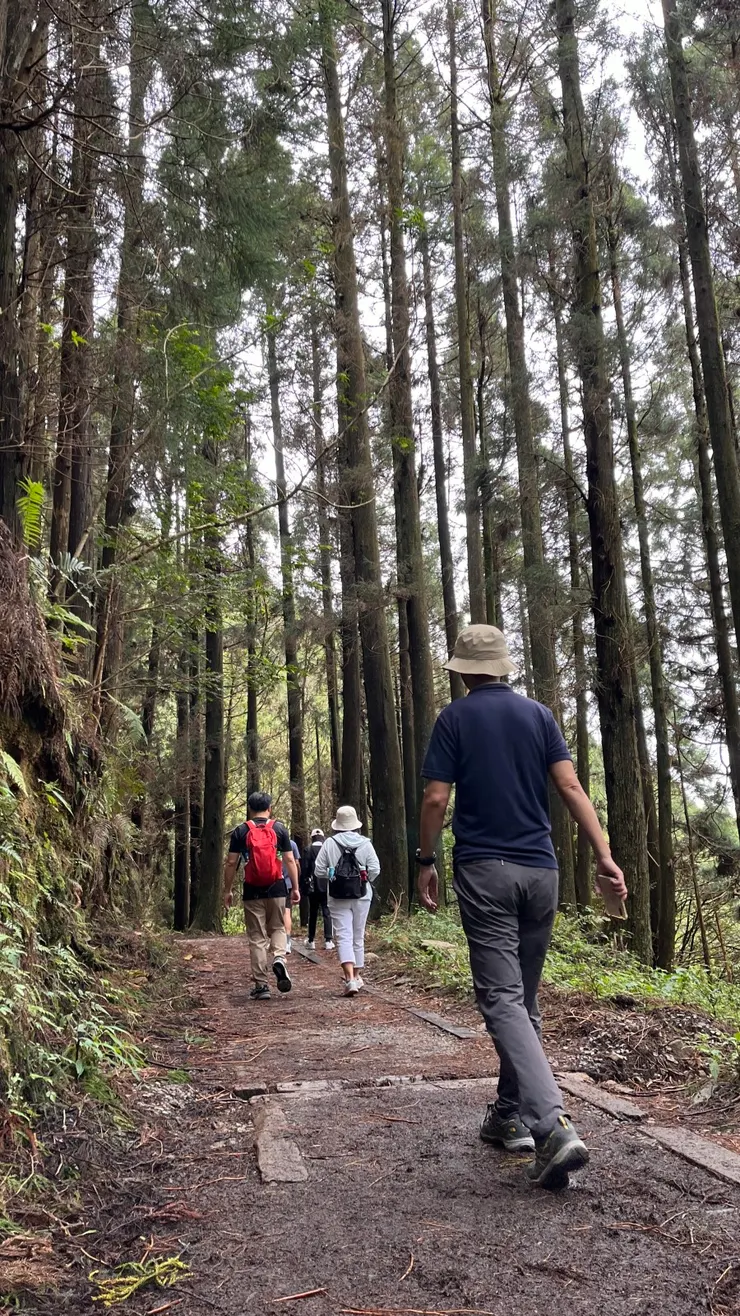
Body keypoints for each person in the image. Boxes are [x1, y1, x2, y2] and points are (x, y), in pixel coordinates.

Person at [417, 624, 628, 1190]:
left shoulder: (453, 719)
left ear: (461, 671)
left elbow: (437, 796)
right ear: (504, 666)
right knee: (523, 1003)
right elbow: (571, 788)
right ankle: (508, 1113)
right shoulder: (538, 715)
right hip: (542, 871)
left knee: (504, 1000)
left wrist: (424, 858)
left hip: (486, 871)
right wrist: (605, 856)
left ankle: (552, 1125)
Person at [223, 791, 299, 1000]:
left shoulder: (241, 831)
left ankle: (261, 985)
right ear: (269, 808)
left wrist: (227, 890)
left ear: (250, 809)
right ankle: (279, 958)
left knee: (256, 937)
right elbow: (290, 860)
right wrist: (295, 887)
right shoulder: (279, 828)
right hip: (276, 887)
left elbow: (231, 863)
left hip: (252, 889)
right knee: (277, 927)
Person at [314, 805, 379, 996]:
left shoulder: (329, 843)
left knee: (343, 935)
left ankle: (349, 978)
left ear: (338, 824)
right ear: (355, 824)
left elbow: (318, 871)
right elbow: (375, 869)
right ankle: (357, 977)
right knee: (358, 935)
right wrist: (364, 878)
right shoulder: (365, 843)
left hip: (337, 895)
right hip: (362, 895)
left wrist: (332, 874)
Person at [301, 828, 334, 951]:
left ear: (312, 838)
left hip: (313, 886)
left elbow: (304, 870)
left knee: (313, 912)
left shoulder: (308, 850)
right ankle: (328, 940)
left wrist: (304, 885)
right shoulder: (328, 849)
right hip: (327, 885)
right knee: (327, 911)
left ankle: (311, 940)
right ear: (322, 838)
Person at [282, 837, 301, 954]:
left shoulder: (269, 841)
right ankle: (287, 942)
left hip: (271, 882)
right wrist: (296, 885)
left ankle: (275, 941)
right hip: (288, 883)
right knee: (286, 912)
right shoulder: (292, 844)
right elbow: (296, 864)